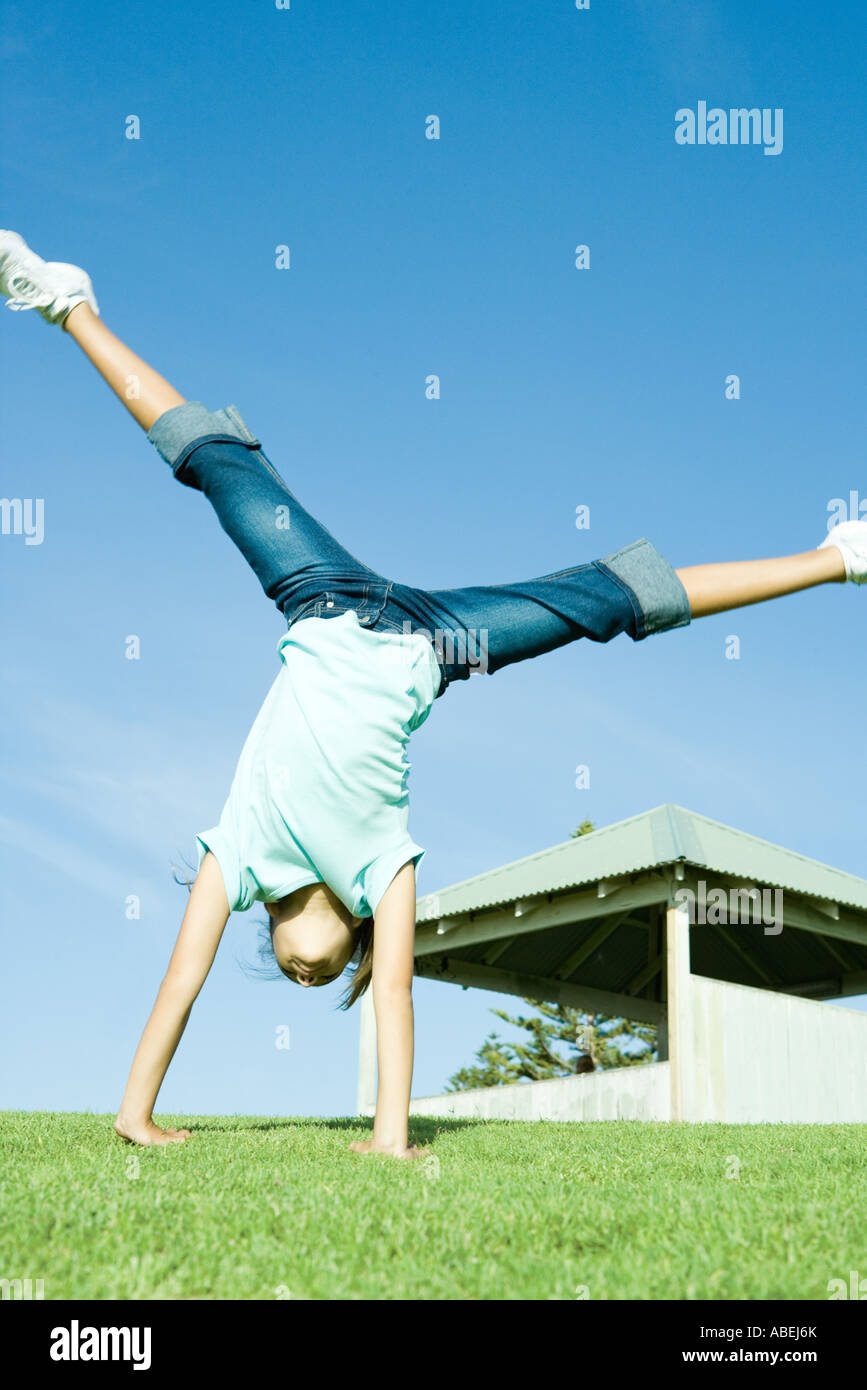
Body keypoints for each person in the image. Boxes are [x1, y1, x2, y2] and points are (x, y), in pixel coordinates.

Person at [3, 229, 864, 1161]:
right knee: (604, 603)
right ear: (354, 944)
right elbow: (398, 995)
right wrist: (389, 1138)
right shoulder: (385, 874)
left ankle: (66, 305)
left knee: (217, 464)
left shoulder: (239, 856)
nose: (303, 980)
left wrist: (133, 1114)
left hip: (319, 596)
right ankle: (840, 558)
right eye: (323, 982)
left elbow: (182, 976)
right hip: (434, 643)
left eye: (297, 977)